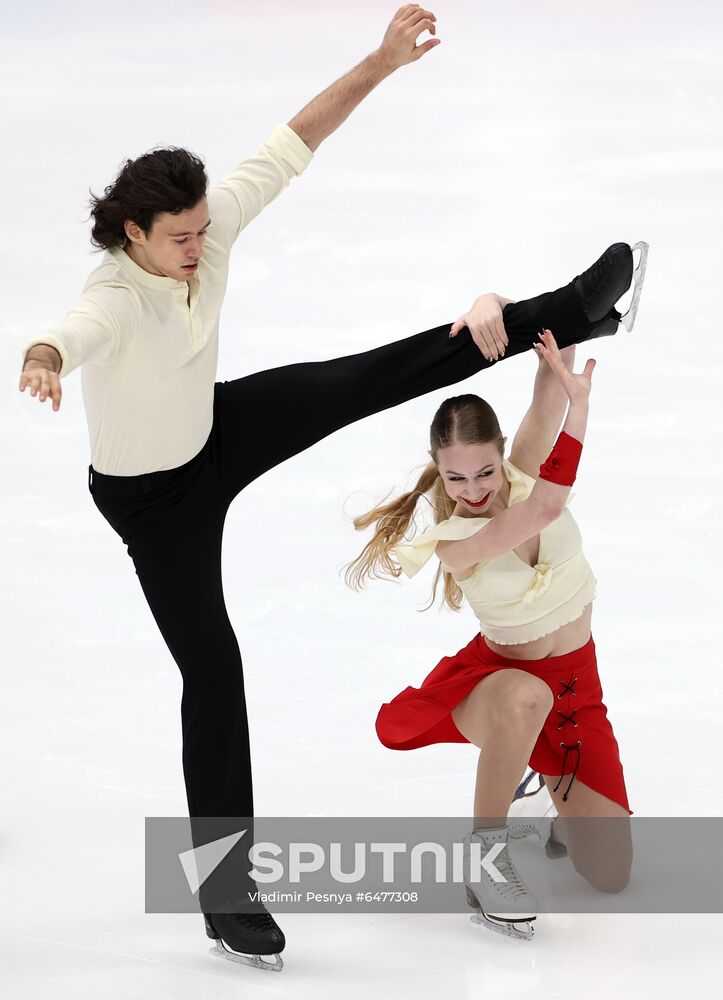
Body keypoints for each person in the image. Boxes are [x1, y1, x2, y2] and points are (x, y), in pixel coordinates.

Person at [16, 0, 645, 969]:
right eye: (178, 238)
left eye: (199, 230)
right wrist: (48, 356)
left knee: (362, 376)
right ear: (134, 235)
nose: (198, 246)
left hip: (213, 427)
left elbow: (295, 137)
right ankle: (229, 899)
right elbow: (73, 329)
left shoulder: (204, 225)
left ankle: (569, 314)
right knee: (213, 673)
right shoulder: (110, 295)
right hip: (154, 502)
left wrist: (383, 60)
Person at [345, 327, 637, 942]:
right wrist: (581, 415)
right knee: (527, 699)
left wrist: (568, 342)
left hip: (577, 686)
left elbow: (547, 394)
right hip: (503, 684)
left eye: (483, 472)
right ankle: (484, 861)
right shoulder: (456, 543)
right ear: (439, 475)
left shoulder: (522, 467)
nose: (474, 492)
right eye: (456, 481)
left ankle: (535, 784)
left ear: (502, 452)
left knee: (610, 873)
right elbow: (543, 512)